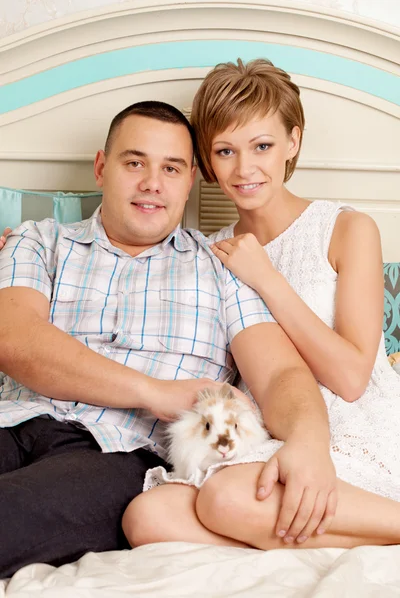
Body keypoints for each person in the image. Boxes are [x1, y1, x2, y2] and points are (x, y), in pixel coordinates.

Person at [0, 100, 336, 578]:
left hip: (113, 453)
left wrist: (308, 442)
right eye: (134, 162)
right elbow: (15, 340)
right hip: (11, 417)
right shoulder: (38, 240)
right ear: (102, 167)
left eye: (171, 168)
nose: (152, 183)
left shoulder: (223, 266)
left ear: (192, 179)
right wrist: (155, 391)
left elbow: (281, 372)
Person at [122, 59, 400, 551]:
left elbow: (354, 378)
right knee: (147, 517)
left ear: (292, 142)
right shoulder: (207, 251)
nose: (244, 169)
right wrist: (30, 241)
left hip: (354, 427)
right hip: (268, 431)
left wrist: (267, 280)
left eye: (263, 146)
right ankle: (328, 534)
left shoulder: (346, 229)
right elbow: (133, 278)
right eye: (225, 151)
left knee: (225, 499)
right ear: (206, 161)